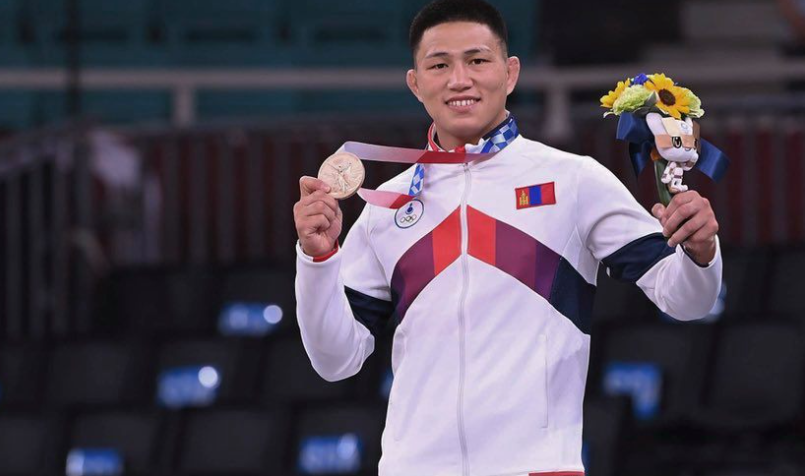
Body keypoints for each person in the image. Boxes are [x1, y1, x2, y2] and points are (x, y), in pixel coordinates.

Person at [292, 0, 722, 474]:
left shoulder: (573, 181)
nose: (460, 79)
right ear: (415, 83)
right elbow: (336, 360)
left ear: (510, 72)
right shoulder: (385, 207)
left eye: (477, 60)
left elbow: (687, 301)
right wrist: (318, 261)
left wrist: (699, 252)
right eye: (439, 65)